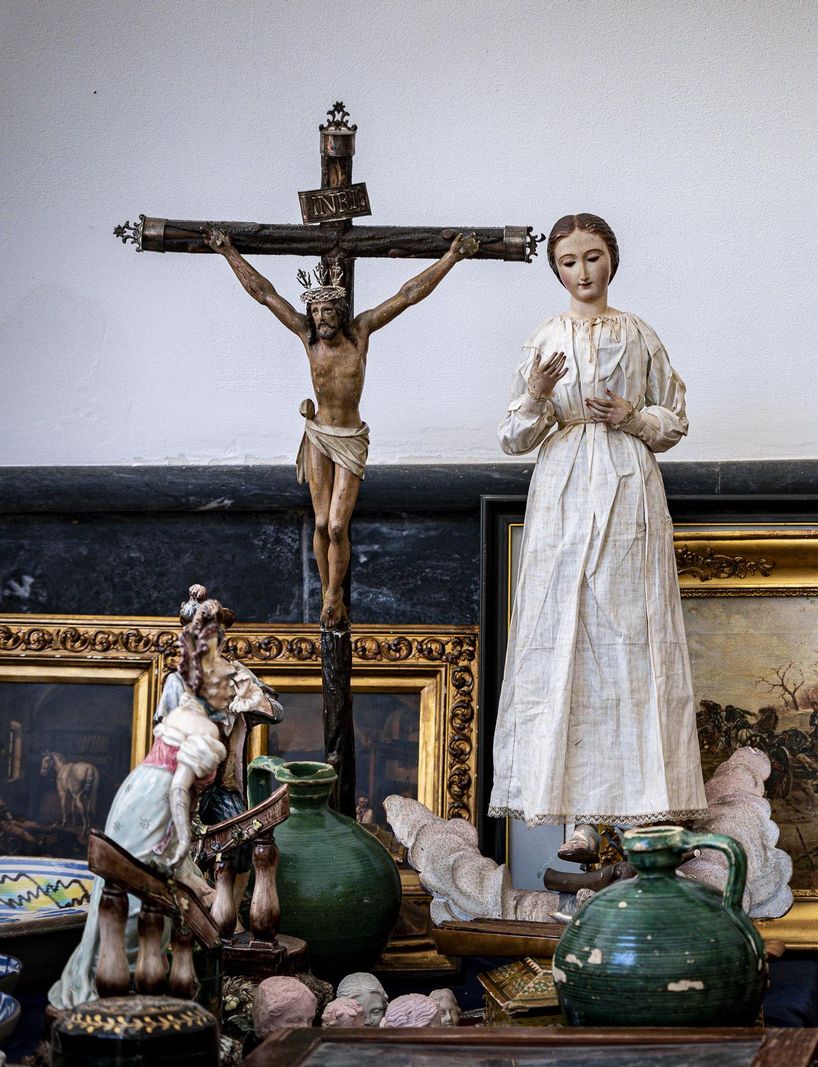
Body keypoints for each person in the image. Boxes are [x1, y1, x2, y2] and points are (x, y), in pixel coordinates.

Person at [490, 213, 707, 862]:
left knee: (630, 641)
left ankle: (642, 810)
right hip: (562, 497)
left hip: (628, 494)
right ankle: (579, 820)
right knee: (567, 641)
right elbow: (512, 438)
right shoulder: (544, 338)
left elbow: (675, 417)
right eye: (569, 262)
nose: (583, 272)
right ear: (556, 269)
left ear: (612, 260)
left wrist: (633, 416)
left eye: (593, 257)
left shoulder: (638, 335)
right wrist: (535, 396)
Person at [204, 227, 480, 624]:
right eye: (316, 313)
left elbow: (407, 295)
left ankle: (336, 593)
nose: (321, 319)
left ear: (341, 312)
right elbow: (264, 294)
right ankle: (326, 595)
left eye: (328, 312)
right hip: (317, 434)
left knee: (337, 526)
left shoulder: (360, 333)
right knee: (319, 521)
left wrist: (451, 257)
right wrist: (228, 250)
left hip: (350, 438)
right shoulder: (308, 338)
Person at [50, 585, 280, 1009]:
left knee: (145, 882)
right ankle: (130, 985)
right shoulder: (193, 709)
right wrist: (178, 850)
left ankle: (127, 978)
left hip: (142, 789)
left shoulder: (206, 696)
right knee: (143, 886)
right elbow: (179, 786)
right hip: (160, 798)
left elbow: (269, 708)